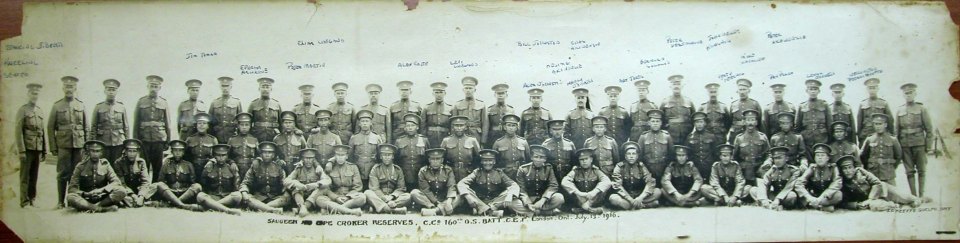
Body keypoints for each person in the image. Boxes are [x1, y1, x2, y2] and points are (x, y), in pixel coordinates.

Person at [837, 155, 930, 211]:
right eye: (845, 169)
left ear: (854, 167)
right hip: (871, 201)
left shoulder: (860, 171)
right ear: (842, 171)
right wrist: (856, 205)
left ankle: (919, 199)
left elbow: (877, 182)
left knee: (905, 197)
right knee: (875, 206)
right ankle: (893, 205)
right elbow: (843, 202)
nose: (848, 171)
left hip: (883, 190)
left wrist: (870, 198)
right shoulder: (842, 182)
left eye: (850, 167)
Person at [49, 76, 88, 208]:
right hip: (63, 145)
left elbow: (86, 127)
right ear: (63, 88)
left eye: (71, 87)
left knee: (76, 173)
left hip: (79, 145)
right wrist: (53, 147)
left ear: (75, 88)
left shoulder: (81, 105)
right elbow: (50, 127)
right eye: (66, 87)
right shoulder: (57, 105)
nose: (69, 89)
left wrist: (86, 146)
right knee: (62, 173)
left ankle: (73, 202)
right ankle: (60, 202)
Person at [457, 149, 532, 217]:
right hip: (480, 201)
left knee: (516, 202)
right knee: (466, 191)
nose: (488, 163)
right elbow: (461, 184)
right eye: (485, 160)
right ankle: (490, 211)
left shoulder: (499, 173)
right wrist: (468, 196)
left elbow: (513, 184)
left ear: (494, 161)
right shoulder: (477, 172)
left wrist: (509, 195)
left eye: (490, 160)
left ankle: (486, 210)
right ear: (482, 162)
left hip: (496, 202)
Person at [65, 140, 126, 212]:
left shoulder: (105, 165)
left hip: (102, 197)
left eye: (97, 151)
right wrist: (85, 194)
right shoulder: (80, 166)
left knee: (122, 190)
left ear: (101, 153)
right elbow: (72, 188)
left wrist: (102, 190)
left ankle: (93, 207)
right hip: (86, 198)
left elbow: (116, 182)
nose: (95, 154)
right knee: (70, 197)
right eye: (93, 151)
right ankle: (101, 209)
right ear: (88, 152)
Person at [895, 83, 933, 197]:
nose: (908, 95)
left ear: (915, 93)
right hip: (905, 145)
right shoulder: (899, 110)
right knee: (909, 171)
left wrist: (928, 147)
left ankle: (921, 195)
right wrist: (898, 149)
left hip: (919, 144)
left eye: (910, 93)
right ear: (903, 95)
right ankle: (913, 196)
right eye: (906, 93)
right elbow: (897, 132)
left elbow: (929, 129)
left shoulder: (921, 108)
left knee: (922, 170)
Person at [134, 75, 171, 182]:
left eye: (156, 86)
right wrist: (136, 141)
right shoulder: (141, 101)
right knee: (143, 166)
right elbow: (136, 122)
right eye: (151, 86)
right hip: (144, 139)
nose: (153, 88)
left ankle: (156, 190)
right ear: (147, 86)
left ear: (160, 88)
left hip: (159, 139)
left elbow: (168, 122)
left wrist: (167, 141)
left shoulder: (164, 102)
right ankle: (143, 188)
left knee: (157, 167)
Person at [151, 140, 204, 211]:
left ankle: (173, 203)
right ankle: (182, 205)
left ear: (183, 152)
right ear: (172, 152)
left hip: (184, 193)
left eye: (180, 150)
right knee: (159, 185)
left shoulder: (188, 165)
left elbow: (192, 182)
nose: (178, 153)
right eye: (175, 150)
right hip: (170, 192)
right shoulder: (166, 164)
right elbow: (161, 180)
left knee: (197, 186)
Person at [15, 83, 45, 208]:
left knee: (34, 176)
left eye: (37, 93)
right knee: (25, 176)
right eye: (33, 93)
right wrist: (21, 150)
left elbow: (42, 132)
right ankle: (24, 201)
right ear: (28, 94)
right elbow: (18, 131)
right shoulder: (22, 110)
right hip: (27, 148)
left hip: (37, 148)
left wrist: (44, 150)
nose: (35, 95)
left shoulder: (40, 110)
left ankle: (32, 199)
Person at [237, 141, 287, 214]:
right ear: (261, 154)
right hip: (259, 198)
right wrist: (244, 192)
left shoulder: (279, 167)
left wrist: (285, 192)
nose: (267, 155)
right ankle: (271, 210)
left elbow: (284, 184)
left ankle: (261, 207)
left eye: (270, 153)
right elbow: (245, 182)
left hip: (274, 198)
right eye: (265, 152)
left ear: (273, 155)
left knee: (287, 197)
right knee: (248, 197)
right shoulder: (255, 166)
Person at [609, 142, 662, 210]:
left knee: (658, 191)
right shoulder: (619, 166)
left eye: (634, 154)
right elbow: (617, 185)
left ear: (637, 156)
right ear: (625, 156)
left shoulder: (641, 166)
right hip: (625, 196)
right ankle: (644, 205)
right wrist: (630, 199)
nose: (631, 156)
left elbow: (650, 182)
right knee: (613, 198)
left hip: (639, 195)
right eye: (629, 154)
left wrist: (640, 197)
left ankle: (632, 205)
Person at [315, 145, 365, 215]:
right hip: (335, 197)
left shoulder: (353, 167)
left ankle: (336, 209)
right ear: (335, 156)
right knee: (319, 199)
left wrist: (347, 197)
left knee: (362, 197)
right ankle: (349, 211)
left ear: (346, 156)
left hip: (349, 198)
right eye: (338, 155)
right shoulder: (330, 168)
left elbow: (358, 186)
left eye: (342, 155)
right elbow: (327, 189)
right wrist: (336, 198)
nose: (340, 157)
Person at [195, 144, 243, 215]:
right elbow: (203, 184)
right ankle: (227, 210)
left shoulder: (231, 168)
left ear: (227, 156)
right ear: (214, 156)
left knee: (238, 195)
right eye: (218, 155)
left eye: (223, 155)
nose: (221, 158)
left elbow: (236, 186)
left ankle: (211, 206)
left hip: (227, 198)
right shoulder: (209, 167)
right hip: (212, 196)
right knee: (200, 195)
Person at [282, 148, 331, 217]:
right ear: (302, 159)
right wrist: (298, 184)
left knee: (322, 188)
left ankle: (303, 207)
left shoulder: (318, 169)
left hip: (313, 197)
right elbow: (286, 181)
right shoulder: (298, 168)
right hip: (301, 196)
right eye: (306, 158)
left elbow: (327, 180)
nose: (308, 161)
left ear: (314, 159)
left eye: (311, 158)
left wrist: (316, 184)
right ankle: (302, 206)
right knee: (295, 186)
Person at [411, 148, 461, 216]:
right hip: (429, 200)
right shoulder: (423, 171)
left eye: (437, 159)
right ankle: (435, 208)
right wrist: (437, 203)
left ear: (442, 160)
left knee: (460, 196)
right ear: (429, 160)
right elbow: (425, 190)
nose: (435, 161)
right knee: (414, 193)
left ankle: (434, 211)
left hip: (444, 199)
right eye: (432, 159)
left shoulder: (448, 170)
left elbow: (451, 186)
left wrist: (449, 202)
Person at [517, 145, 564, 215]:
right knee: (513, 203)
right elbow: (521, 189)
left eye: (541, 157)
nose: (538, 160)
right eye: (536, 157)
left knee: (559, 198)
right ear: (532, 158)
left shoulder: (548, 168)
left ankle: (532, 212)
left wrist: (543, 199)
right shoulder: (523, 169)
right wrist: (528, 203)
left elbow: (553, 185)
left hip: (543, 200)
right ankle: (547, 212)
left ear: (545, 159)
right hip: (529, 198)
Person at [561, 148, 611, 214]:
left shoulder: (596, 171)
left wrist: (594, 191)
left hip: (593, 199)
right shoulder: (575, 171)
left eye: (586, 159)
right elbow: (564, 182)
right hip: (580, 198)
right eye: (581, 159)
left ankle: (582, 209)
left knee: (602, 188)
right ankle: (590, 210)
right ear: (579, 161)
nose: (584, 161)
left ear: (591, 160)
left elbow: (607, 181)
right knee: (572, 191)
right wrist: (579, 193)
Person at [795, 143, 843, 212]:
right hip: (813, 196)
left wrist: (822, 197)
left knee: (838, 195)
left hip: (826, 197)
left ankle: (815, 206)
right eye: (817, 155)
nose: (820, 158)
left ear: (827, 158)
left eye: (823, 155)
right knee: (801, 195)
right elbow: (799, 183)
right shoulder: (812, 168)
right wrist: (809, 197)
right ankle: (822, 207)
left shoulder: (833, 167)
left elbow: (837, 182)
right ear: (814, 158)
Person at [365, 144, 410, 214]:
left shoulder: (398, 170)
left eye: (389, 155)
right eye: (384, 155)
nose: (386, 157)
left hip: (393, 199)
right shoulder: (375, 169)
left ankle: (378, 207)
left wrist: (391, 197)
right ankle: (393, 209)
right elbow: (374, 188)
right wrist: (384, 198)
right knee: (368, 193)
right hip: (379, 197)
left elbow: (401, 188)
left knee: (408, 196)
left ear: (392, 156)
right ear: (381, 157)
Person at [91, 78, 129, 163]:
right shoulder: (98, 107)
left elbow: (126, 127)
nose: (111, 92)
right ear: (105, 91)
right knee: (103, 165)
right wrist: (93, 144)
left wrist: (127, 144)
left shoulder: (121, 107)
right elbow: (93, 127)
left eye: (113, 90)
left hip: (119, 142)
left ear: (117, 91)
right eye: (109, 89)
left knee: (117, 166)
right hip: (103, 142)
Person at [860, 113, 903, 185]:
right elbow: (863, 155)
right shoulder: (869, 139)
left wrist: (891, 167)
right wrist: (869, 167)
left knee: (892, 194)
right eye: (876, 124)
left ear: (885, 125)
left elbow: (898, 156)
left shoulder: (893, 140)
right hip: (873, 173)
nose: (878, 126)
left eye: (880, 124)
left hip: (888, 174)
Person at [732, 109, 769, 187]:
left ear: (756, 122)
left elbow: (769, 154)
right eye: (748, 120)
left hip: (760, 168)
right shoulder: (739, 138)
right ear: (744, 122)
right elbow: (734, 157)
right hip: (745, 170)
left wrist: (766, 163)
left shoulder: (763, 137)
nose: (750, 123)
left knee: (762, 188)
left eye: (752, 120)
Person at [111, 139, 152, 208]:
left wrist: (141, 196)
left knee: (155, 186)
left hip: (139, 190)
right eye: (129, 151)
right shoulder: (118, 163)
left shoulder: (141, 162)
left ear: (138, 152)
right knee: (118, 190)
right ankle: (134, 201)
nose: (132, 154)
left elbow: (145, 181)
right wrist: (132, 194)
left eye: (134, 151)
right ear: (125, 151)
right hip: (126, 191)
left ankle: (138, 200)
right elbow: (121, 182)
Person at [441, 116, 482, 181]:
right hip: (451, 174)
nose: (459, 128)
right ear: (453, 127)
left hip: (468, 173)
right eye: (456, 126)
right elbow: (442, 160)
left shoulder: (472, 140)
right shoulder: (446, 141)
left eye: (461, 125)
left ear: (465, 127)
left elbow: (478, 159)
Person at [350, 110, 384, 186]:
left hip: (373, 168)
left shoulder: (377, 137)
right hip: (358, 169)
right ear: (359, 124)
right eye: (362, 121)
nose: (365, 123)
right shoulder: (354, 138)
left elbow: (380, 156)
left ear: (371, 123)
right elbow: (350, 157)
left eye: (367, 121)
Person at [395, 113, 429, 190]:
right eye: (408, 126)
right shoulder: (399, 141)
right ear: (405, 128)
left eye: (412, 126)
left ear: (417, 127)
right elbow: (396, 160)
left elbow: (428, 158)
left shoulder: (424, 140)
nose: (410, 128)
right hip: (404, 174)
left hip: (421, 174)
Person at [795, 79, 833, 148]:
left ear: (819, 91)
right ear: (807, 91)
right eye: (811, 89)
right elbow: (797, 126)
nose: (813, 91)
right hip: (806, 140)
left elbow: (829, 124)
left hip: (822, 139)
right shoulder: (802, 106)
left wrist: (830, 140)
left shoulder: (824, 105)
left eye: (815, 89)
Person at [638, 109, 673, 184]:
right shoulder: (643, 136)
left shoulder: (666, 136)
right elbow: (639, 156)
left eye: (657, 121)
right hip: (648, 169)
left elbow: (671, 155)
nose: (655, 123)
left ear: (661, 123)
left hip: (663, 169)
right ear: (649, 123)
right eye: (653, 121)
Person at [492, 114, 530, 180]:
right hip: (504, 174)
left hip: (520, 173)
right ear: (504, 127)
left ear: (516, 127)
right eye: (509, 125)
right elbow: (494, 162)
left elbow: (528, 160)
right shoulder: (498, 142)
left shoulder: (523, 142)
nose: (511, 128)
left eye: (513, 125)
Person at [661, 75, 696, 145]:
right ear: (670, 86)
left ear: (682, 86)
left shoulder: (689, 101)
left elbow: (694, 118)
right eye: (674, 84)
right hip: (670, 136)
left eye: (678, 84)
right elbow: (661, 120)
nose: (676, 86)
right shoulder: (665, 102)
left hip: (686, 135)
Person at [857, 78, 894, 144]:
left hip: (881, 134)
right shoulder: (862, 104)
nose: (872, 90)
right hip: (866, 135)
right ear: (867, 89)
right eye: (870, 88)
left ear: (877, 89)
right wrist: (860, 137)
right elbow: (859, 123)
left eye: (874, 88)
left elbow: (890, 121)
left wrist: (890, 135)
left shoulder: (883, 103)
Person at [452, 76, 487, 144]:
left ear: (474, 90)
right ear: (463, 90)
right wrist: (454, 138)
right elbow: (453, 123)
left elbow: (485, 124)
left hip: (476, 135)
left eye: (470, 88)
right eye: (466, 88)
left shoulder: (481, 104)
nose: (468, 90)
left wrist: (483, 141)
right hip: (461, 134)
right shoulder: (457, 105)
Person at [209, 76, 243, 144]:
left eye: (227, 86)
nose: (225, 88)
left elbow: (240, 121)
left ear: (231, 86)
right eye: (223, 86)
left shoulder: (237, 102)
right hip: (217, 136)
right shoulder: (214, 103)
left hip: (232, 136)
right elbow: (210, 122)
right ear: (220, 87)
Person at [686, 112, 719, 179]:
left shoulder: (711, 136)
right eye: (697, 122)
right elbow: (687, 153)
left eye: (701, 122)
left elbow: (716, 153)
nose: (699, 124)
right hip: (695, 167)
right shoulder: (690, 137)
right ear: (694, 124)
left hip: (709, 166)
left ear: (705, 123)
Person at [248, 77, 282, 143]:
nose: (265, 89)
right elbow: (248, 122)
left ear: (271, 89)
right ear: (259, 88)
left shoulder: (277, 104)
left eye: (267, 87)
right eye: (263, 87)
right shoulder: (253, 104)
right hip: (257, 135)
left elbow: (281, 123)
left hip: (273, 135)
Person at [184, 113, 218, 178]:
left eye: (204, 123)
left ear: (208, 126)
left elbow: (217, 155)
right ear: (196, 125)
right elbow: (184, 155)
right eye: (199, 123)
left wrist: (212, 161)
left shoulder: (213, 139)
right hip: (192, 168)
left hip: (208, 168)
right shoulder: (190, 139)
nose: (201, 125)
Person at [227, 113, 258, 182]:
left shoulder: (254, 140)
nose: (244, 127)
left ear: (250, 126)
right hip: (236, 169)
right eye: (242, 125)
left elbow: (259, 155)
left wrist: (256, 161)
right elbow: (226, 156)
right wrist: (232, 162)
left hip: (250, 168)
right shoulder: (232, 140)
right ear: (238, 126)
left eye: (247, 125)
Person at [423, 82, 454, 148]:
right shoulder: (427, 108)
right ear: (433, 94)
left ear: (445, 93)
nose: (439, 95)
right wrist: (424, 138)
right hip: (430, 138)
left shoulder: (450, 108)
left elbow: (452, 126)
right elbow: (422, 125)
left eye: (441, 92)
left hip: (445, 137)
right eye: (436, 92)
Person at [485, 83, 515, 148]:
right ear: (495, 95)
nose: (500, 95)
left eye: (502, 93)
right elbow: (486, 126)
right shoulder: (490, 109)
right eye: (498, 93)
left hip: (506, 137)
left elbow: (514, 126)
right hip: (492, 137)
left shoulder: (511, 110)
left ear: (506, 95)